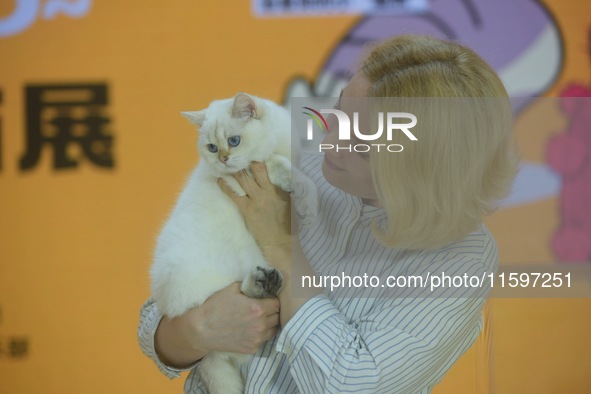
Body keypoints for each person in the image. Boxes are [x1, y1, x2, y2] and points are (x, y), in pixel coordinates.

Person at [138, 34, 519, 393]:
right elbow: (155, 323)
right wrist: (197, 329)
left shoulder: (461, 260)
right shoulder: (290, 161)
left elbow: (349, 383)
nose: (330, 142)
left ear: (423, 168)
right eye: (338, 112)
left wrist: (282, 248)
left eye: (362, 144)